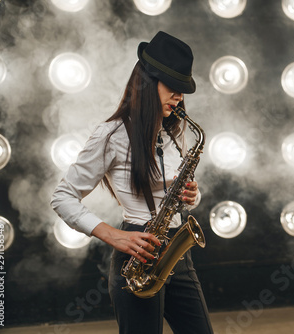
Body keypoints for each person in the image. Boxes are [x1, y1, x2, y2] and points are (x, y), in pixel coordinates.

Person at [51, 31, 213, 334]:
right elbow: (62, 196)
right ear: (149, 83)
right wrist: (115, 236)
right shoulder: (112, 134)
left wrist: (192, 194)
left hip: (177, 248)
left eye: (183, 89)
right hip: (138, 250)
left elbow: (176, 192)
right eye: (174, 87)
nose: (180, 96)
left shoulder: (173, 131)